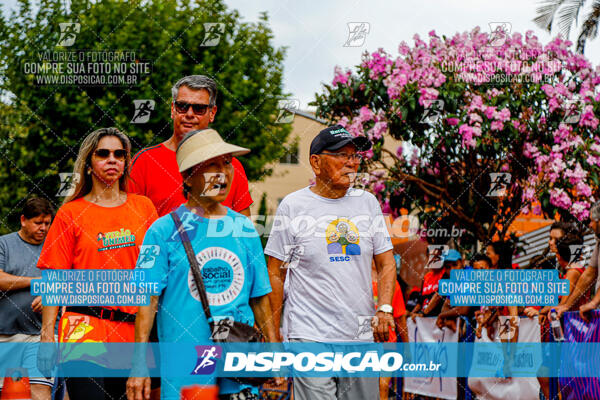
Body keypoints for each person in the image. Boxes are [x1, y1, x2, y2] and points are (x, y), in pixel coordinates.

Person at [126, 129, 278, 400]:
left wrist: (275, 351)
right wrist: (138, 364)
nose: (224, 172)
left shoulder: (243, 227)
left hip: (238, 365)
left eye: (228, 163)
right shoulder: (161, 231)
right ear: (188, 175)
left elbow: (260, 298)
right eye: (212, 164)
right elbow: (146, 303)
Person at [265, 124, 396, 400]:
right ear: (316, 162)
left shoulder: (368, 203)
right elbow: (274, 272)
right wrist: (274, 336)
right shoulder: (293, 206)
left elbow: (386, 263)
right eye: (341, 155)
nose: (351, 162)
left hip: (360, 335)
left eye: (354, 155)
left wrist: (384, 308)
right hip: (309, 335)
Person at [37, 128, 158, 400]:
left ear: (127, 161)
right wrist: (47, 336)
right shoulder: (70, 213)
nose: (112, 160)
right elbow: (54, 278)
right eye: (103, 154)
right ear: (89, 163)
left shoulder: (144, 208)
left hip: (132, 331)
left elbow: (155, 275)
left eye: (119, 154)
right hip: (83, 329)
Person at [129, 75, 253, 217]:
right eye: (182, 106)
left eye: (199, 108)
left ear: (212, 113)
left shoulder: (230, 167)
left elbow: (244, 230)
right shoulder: (145, 162)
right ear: (172, 109)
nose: (189, 114)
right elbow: (130, 223)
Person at [0, 197, 54, 400]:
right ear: (23, 220)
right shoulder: (4, 244)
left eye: (47, 223)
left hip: (41, 334)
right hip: (5, 333)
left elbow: (66, 280)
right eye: (38, 223)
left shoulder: (54, 247)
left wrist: (50, 292)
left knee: (40, 391)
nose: (43, 228)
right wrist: (37, 283)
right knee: (8, 394)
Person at [371, 263, 407, 400]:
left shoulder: (393, 284)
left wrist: (407, 347)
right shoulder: (356, 281)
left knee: (383, 387)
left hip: (387, 342)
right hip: (363, 343)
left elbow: (400, 319)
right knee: (365, 387)